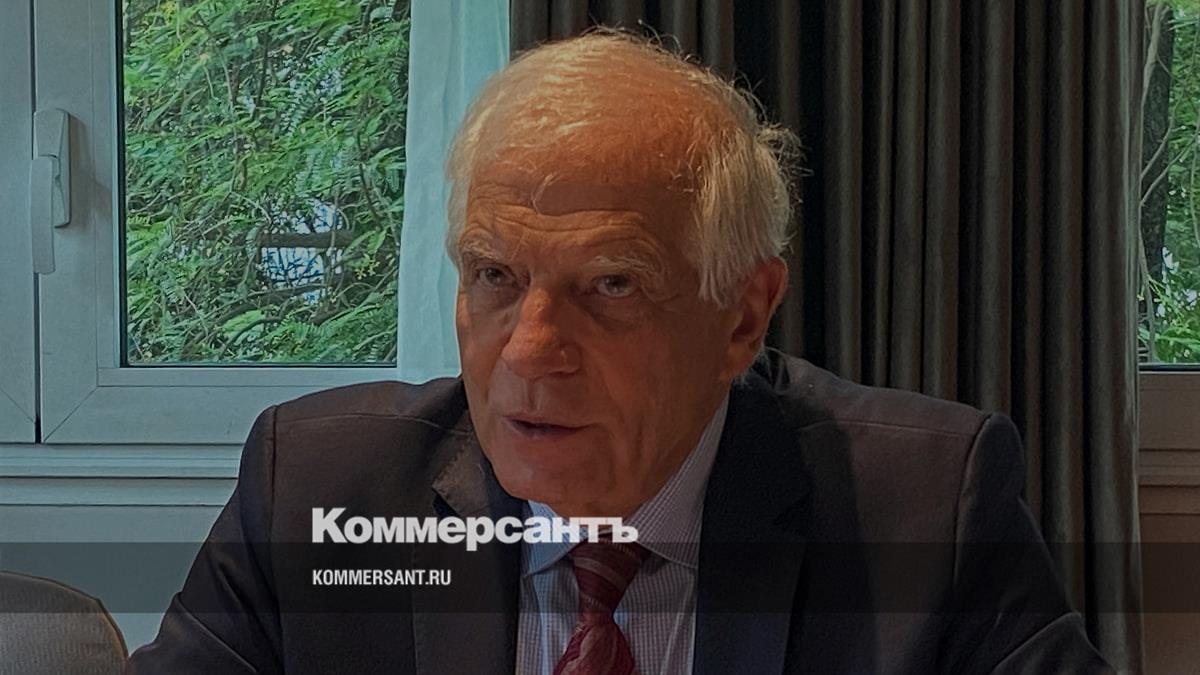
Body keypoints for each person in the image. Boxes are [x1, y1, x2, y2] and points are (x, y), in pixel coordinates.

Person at [127, 31, 1110, 674]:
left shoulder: (927, 507)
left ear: (743, 317)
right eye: (494, 275)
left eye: (610, 286)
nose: (530, 353)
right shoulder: (318, 488)